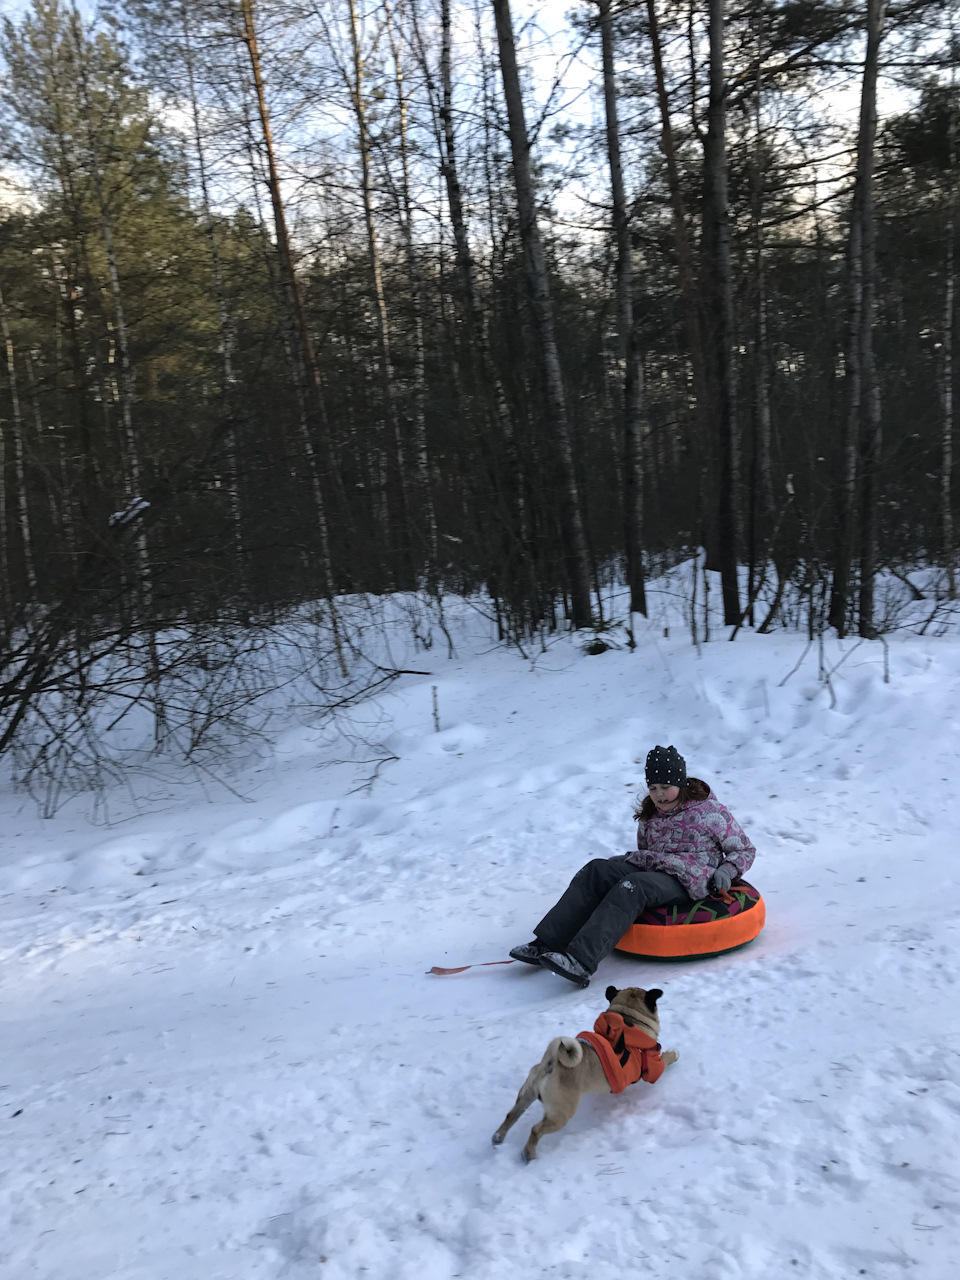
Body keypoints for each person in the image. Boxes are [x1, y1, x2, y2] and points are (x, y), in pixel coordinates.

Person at [509, 745, 757, 988]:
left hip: (691, 877)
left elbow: (744, 849)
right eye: (653, 788)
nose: (659, 795)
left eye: (666, 787)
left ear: (680, 783)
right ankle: (546, 943)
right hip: (656, 868)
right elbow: (644, 847)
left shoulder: (709, 811)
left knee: (633, 886)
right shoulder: (652, 815)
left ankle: (580, 961)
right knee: (596, 869)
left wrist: (727, 870)